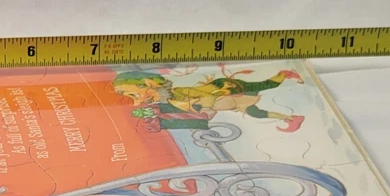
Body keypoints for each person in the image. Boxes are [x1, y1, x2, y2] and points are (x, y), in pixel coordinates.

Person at [115, 69, 306, 132]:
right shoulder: (167, 101)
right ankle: (290, 118)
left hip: (229, 91)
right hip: (228, 104)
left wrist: (204, 109)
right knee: (256, 113)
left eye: (134, 95)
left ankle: (285, 74)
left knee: (265, 85)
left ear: (149, 83)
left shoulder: (178, 92)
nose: (136, 101)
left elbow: (206, 96)